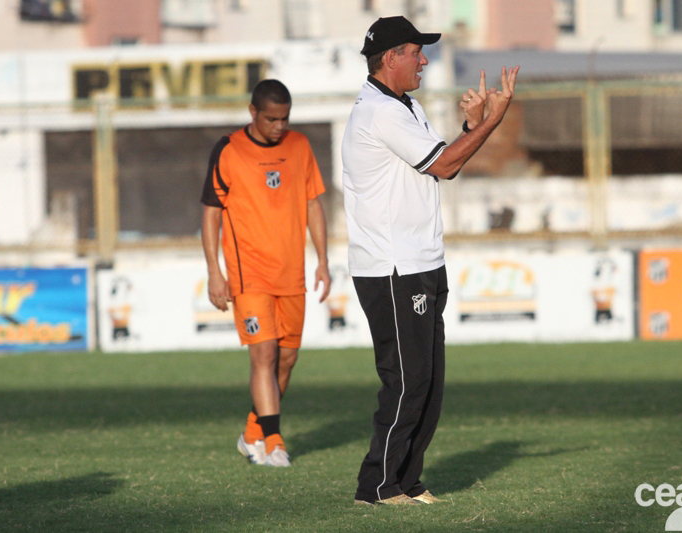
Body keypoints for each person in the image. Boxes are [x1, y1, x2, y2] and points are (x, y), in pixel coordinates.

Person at [342, 16, 519, 504]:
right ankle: (376, 486)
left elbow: (439, 166)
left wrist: (469, 126)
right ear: (391, 57)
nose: (424, 60)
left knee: (429, 384)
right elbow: (445, 163)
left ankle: (404, 480)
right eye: (417, 51)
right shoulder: (381, 112)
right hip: (392, 267)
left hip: (420, 262)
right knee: (406, 380)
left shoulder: (404, 105)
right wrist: (491, 121)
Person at [201, 79, 330, 467]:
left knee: (286, 361)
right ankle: (274, 443)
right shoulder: (228, 149)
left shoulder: (300, 145)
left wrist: (323, 260)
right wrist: (214, 272)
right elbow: (210, 212)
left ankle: (252, 434)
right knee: (265, 354)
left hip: (291, 273)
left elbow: (313, 204)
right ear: (252, 112)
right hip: (248, 273)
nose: (279, 126)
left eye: (285, 119)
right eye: (271, 119)